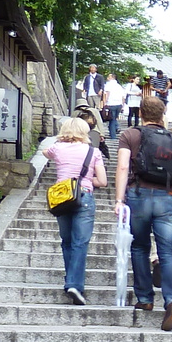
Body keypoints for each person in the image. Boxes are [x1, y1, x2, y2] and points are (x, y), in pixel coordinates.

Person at [113, 96, 172, 330]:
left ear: (141, 113)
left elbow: (122, 167)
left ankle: (145, 298)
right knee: (168, 251)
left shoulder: (130, 135)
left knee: (139, 247)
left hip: (138, 195)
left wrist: (119, 200)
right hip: (168, 198)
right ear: (163, 114)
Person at [44, 116, 107, 306]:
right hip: (84, 196)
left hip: (62, 198)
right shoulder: (92, 151)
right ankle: (74, 284)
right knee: (80, 242)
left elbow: (45, 151)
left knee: (67, 241)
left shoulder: (57, 149)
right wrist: (86, 180)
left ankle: (70, 281)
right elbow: (103, 181)